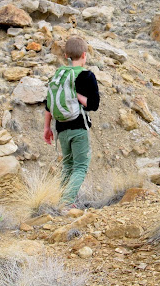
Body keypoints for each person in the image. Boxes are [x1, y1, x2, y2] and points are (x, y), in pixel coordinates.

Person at [43, 36, 100, 207]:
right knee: (80, 167)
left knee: (67, 165)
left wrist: (47, 128)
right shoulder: (86, 76)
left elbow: (48, 103)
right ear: (84, 55)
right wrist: (79, 96)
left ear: (66, 55)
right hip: (78, 127)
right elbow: (93, 105)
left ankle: (61, 200)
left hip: (61, 129)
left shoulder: (59, 74)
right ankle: (66, 202)